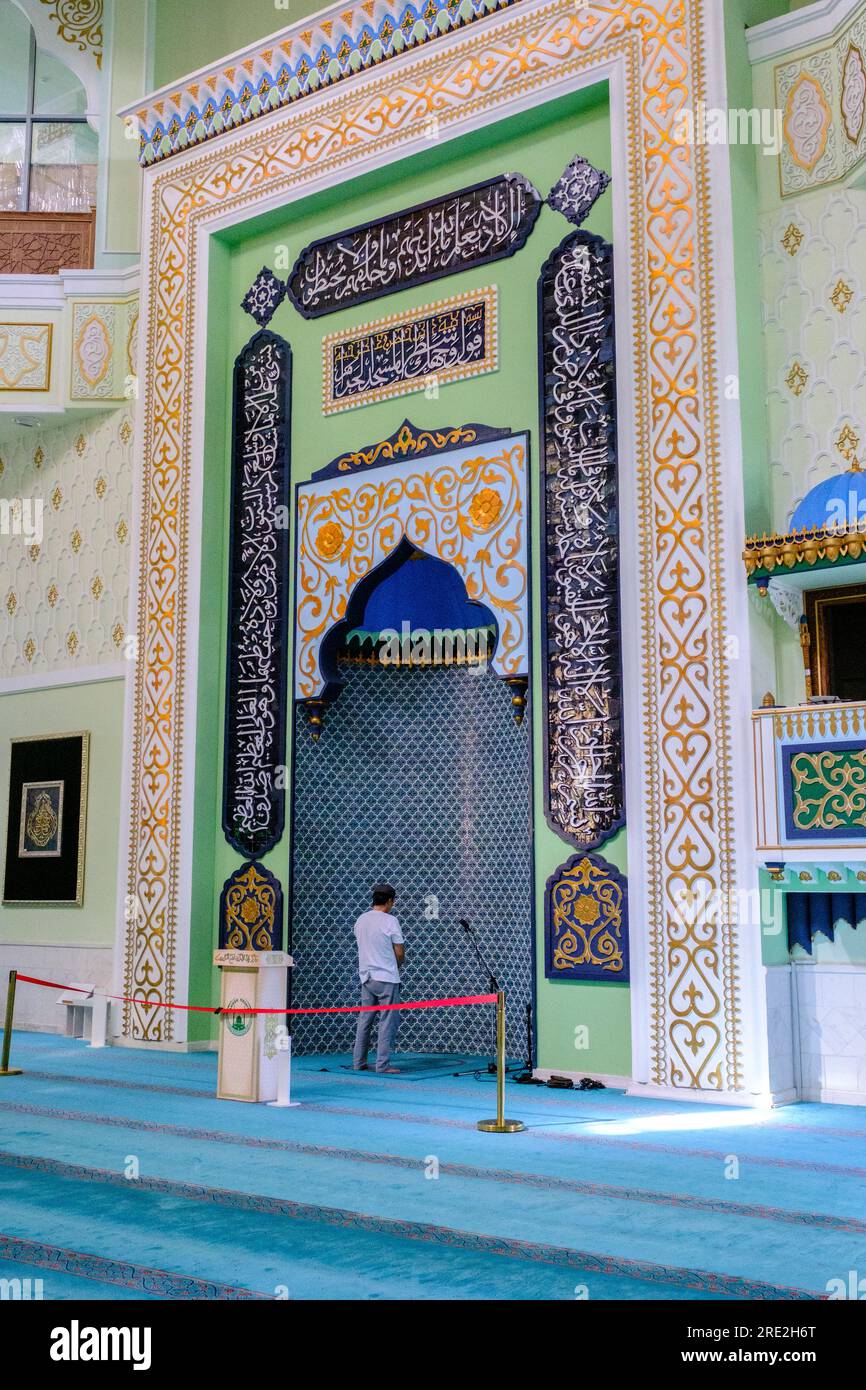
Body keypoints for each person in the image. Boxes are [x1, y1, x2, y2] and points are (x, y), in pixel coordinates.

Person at [352, 883, 404, 1074]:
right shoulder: (390, 921)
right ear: (390, 901)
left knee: (365, 1020)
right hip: (387, 978)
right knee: (387, 1022)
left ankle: (359, 1062)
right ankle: (382, 1065)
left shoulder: (361, 920)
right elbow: (399, 951)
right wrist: (396, 967)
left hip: (366, 977)